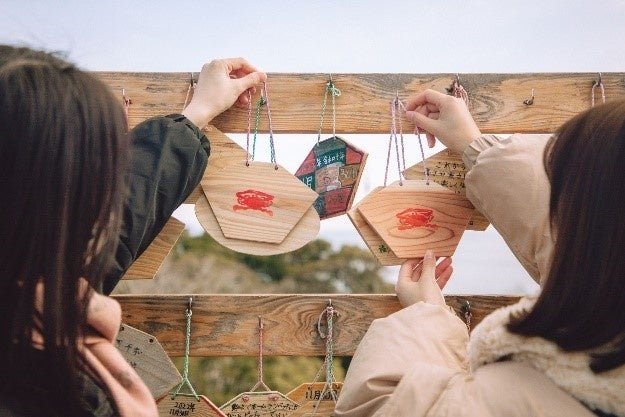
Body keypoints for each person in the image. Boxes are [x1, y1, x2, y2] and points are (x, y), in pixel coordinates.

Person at [0, 44, 266, 416]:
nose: (103, 200)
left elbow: (118, 222)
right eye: (96, 174)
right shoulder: (36, 370)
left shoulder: (35, 293)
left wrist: (196, 115)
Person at [334, 89, 625, 417]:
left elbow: (379, 404)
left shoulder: (517, 398)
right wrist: (474, 147)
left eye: (560, 188)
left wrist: (427, 314)